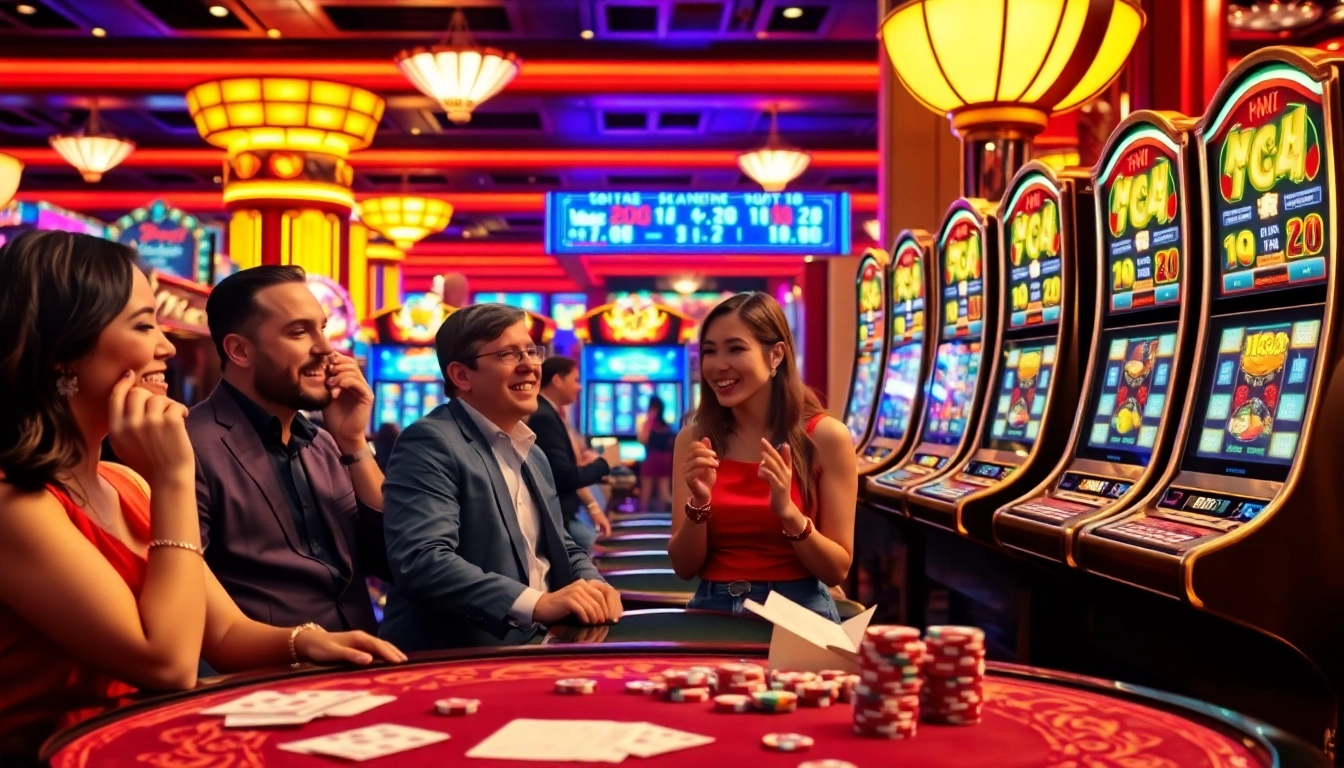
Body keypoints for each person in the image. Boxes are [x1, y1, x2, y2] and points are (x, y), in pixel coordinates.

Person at [0, 232, 404, 761]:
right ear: (64, 352)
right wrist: (172, 478)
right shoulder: (17, 504)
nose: (168, 347)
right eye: (144, 325)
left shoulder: (125, 483)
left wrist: (306, 641)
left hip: (144, 741)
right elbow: (167, 664)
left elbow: (227, 631)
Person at [379, 303, 623, 650]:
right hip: (460, 657)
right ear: (462, 376)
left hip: (541, 642)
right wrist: (537, 604)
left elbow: (560, 543)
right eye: (508, 354)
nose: (529, 365)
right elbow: (423, 560)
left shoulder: (532, 452)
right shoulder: (430, 441)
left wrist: (592, 583)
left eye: (531, 351)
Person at [191, 266, 390, 634]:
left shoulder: (327, 444)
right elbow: (184, 598)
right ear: (240, 350)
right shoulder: (190, 445)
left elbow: (392, 561)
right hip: (266, 667)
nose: (326, 348)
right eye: (299, 332)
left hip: (362, 657)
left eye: (322, 328)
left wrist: (354, 443)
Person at [667, 292, 857, 622]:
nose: (719, 365)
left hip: (800, 611)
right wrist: (699, 504)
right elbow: (684, 568)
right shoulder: (693, 439)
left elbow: (836, 570)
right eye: (710, 351)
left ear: (775, 355)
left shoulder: (827, 437)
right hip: (712, 610)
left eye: (735, 349)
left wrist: (789, 514)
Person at [530, 356, 612, 553]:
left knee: (600, 549)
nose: (580, 387)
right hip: (557, 516)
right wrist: (604, 463)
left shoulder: (551, 413)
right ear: (557, 380)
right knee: (601, 554)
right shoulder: (544, 417)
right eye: (575, 380)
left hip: (565, 514)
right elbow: (565, 476)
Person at [638, 395, 675, 512]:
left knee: (646, 494)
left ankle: (642, 518)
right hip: (666, 460)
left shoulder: (650, 424)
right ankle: (665, 518)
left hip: (652, 459)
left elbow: (643, 439)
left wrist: (649, 421)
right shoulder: (666, 426)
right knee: (664, 494)